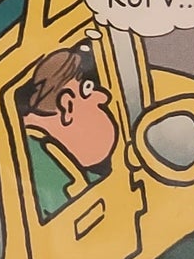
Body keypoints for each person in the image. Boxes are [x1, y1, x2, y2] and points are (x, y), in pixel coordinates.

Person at [18, 44, 120, 218]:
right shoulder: (41, 160)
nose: (103, 97)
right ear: (67, 104)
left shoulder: (43, 150)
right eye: (87, 89)